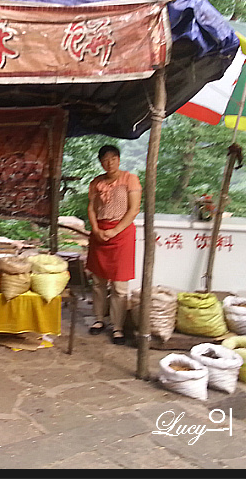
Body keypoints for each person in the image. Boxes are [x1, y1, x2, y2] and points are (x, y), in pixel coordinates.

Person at [86, 144, 141, 345]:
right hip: (100, 233)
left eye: (113, 159)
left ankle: (117, 327)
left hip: (122, 234)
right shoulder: (96, 182)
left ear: (119, 159)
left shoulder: (130, 179)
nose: (109, 163)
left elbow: (134, 209)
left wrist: (115, 231)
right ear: (101, 163)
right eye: (105, 160)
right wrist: (96, 230)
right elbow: (91, 208)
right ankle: (99, 319)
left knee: (119, 286)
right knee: (98, 282)